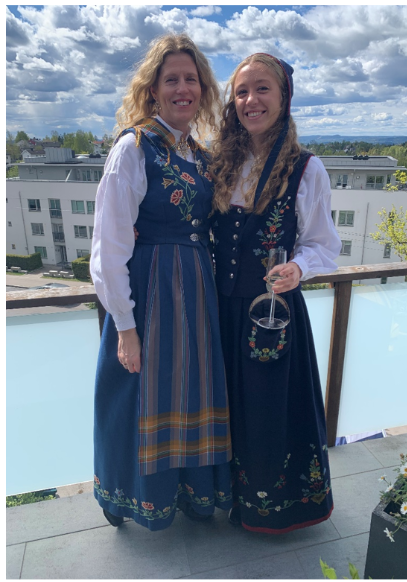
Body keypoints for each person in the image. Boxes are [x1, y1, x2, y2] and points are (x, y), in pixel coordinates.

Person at [90, 33, 232, 531]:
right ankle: (127, 498)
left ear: (203, 89)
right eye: (170, 79)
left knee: (193, 390)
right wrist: (125, 327)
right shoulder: (132, 148)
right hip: (149, 292)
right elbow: (109, 247)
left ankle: (192, 492)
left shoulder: (199, 153)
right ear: (152, 89)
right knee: (139, 395)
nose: (182, 88)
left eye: (190, 79)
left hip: (195, 290)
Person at [209, 53, 341, 533]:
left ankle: (279, 510)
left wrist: (297, 268)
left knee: (268, 414)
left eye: (262, 89)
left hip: (270, 315)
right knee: (224, 406)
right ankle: (224, 498)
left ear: (284, 98)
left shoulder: (307, 169)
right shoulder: (220, 162)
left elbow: (324, 247)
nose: (250, 100)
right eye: (242, 91)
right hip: (220, 312)